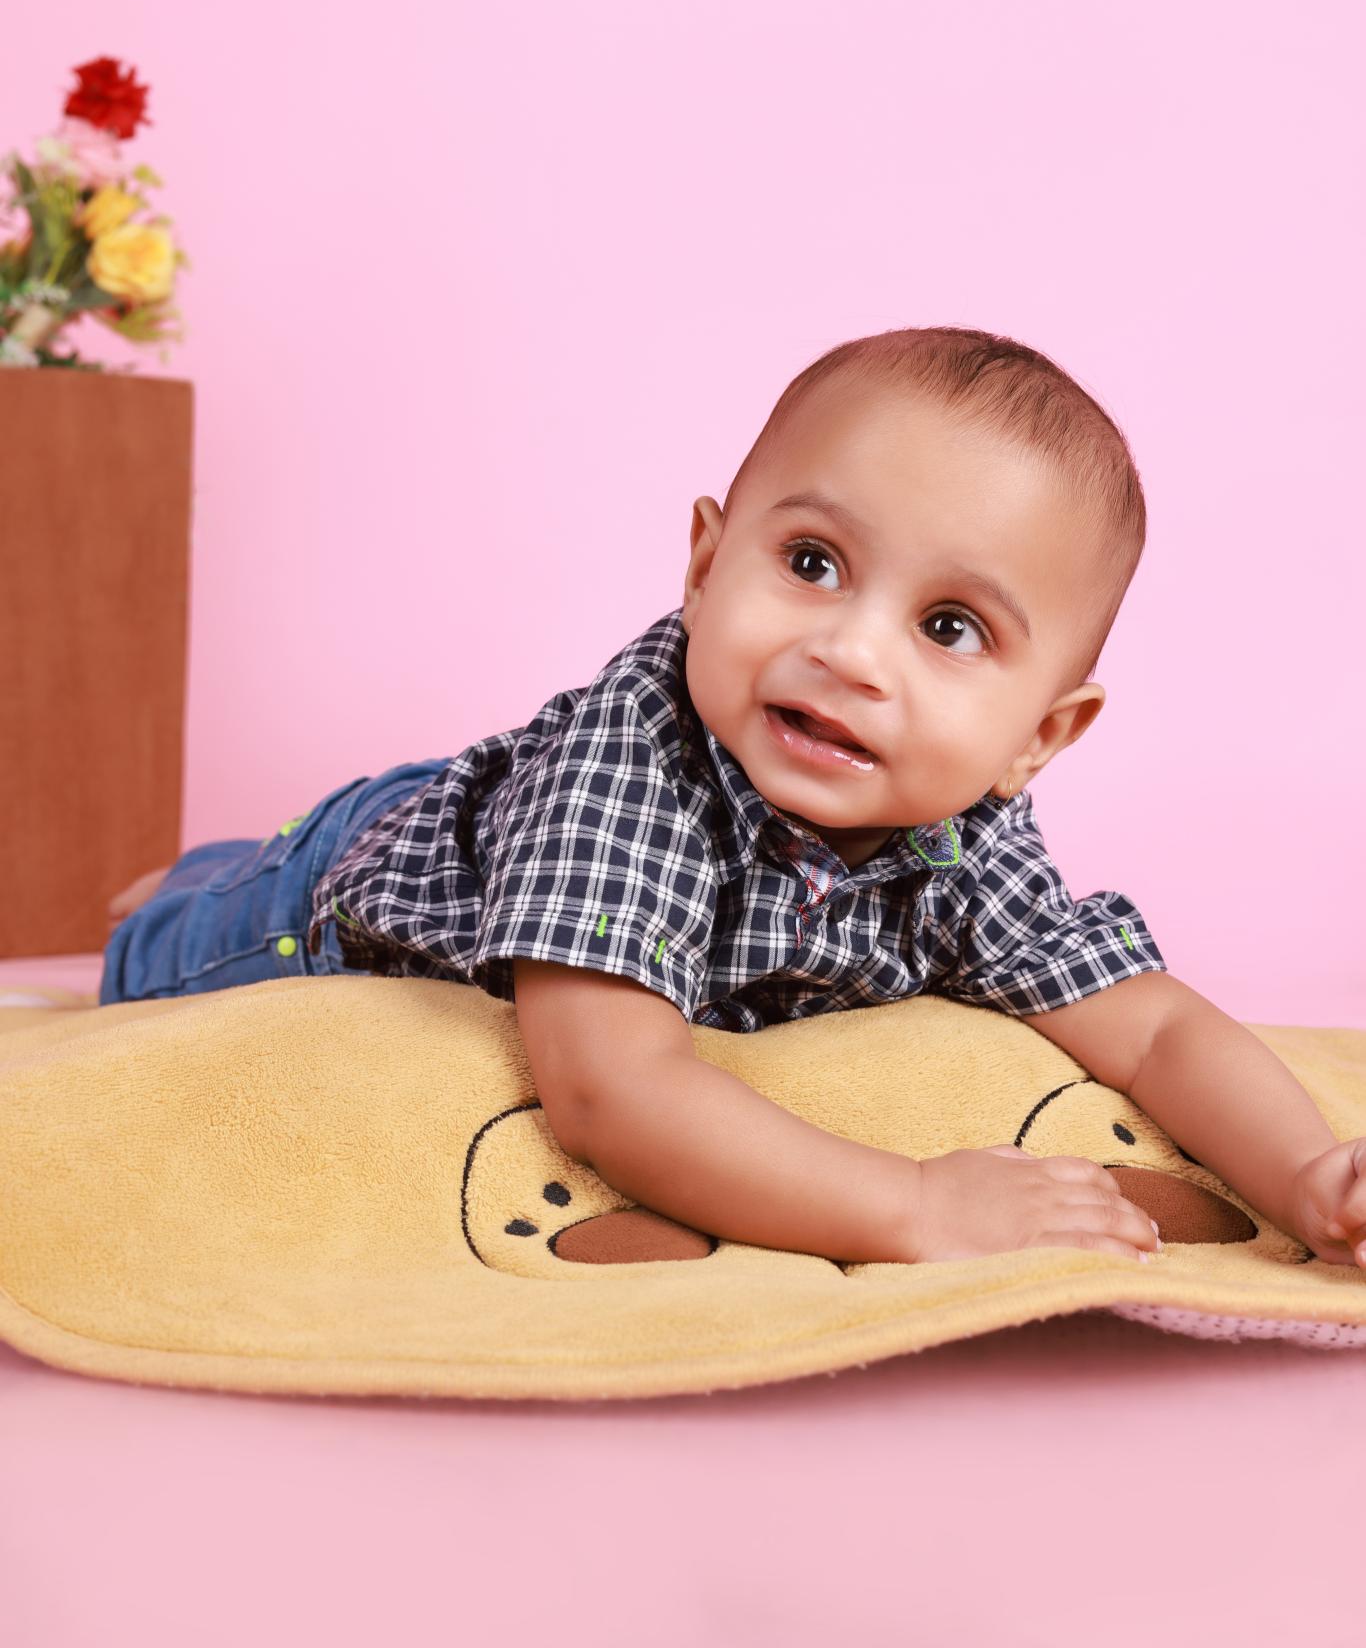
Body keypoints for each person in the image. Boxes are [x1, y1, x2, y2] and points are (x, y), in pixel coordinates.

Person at [104, 325, 1366, 1273]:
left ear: (1036, 736)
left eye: (948, 626)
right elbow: (609, 1090)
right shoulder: (630, 764)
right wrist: (917, 1204)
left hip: (481, 806)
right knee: (164, 942)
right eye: (811, 562)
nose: (850, 651)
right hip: (346, 892)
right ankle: (177, 887)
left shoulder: (962, 823)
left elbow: (1148, 1028)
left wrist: (1309, 1175)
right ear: (706, 566)